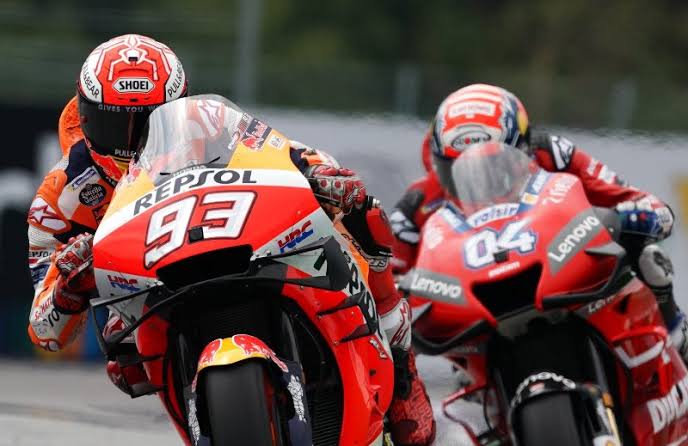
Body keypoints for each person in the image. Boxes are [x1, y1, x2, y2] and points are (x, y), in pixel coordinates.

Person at [26, 36, 435, 446]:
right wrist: (67, 286)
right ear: (85, 114)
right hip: (150, 293)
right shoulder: (62, 195)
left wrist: (319, 175)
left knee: (361, 217)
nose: (131, 142)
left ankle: (402, 368)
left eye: (148, 124)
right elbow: (45, 330)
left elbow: (286, 152)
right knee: (124, 361)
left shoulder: (208, 126)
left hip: (236, 242)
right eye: (113, 124)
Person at [390, 83, 686, 360]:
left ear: (523, 148)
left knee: (647, 256)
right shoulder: (417, 203)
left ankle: (676, 341)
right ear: (438, 163)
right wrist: (398, 292)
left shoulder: (554, 153)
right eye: (457, 169)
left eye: (493, 164)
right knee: (395, 342)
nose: (478, 180)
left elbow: (644, 202)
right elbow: (386, 279)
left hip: (561, 272)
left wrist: (640, 216)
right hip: (475, 314)